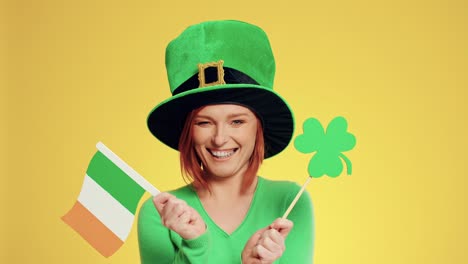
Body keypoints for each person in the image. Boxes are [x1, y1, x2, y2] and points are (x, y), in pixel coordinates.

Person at [138, 20, 314, 264]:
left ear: (258, 128)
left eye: (237, 122)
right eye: (204, 122)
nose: (220, 139)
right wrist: (194, 247)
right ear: (188, 132)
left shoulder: (290, 202)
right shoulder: (161, 212)